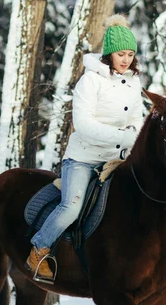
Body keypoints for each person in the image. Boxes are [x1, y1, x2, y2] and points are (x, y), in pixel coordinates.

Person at [26, 14, 144, 281]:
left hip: (116, 158)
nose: (125, 59)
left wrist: (133, 136)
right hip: (83, 159)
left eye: (129, 54)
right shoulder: (90, 81)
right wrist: (124, 138)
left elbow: (137, 118)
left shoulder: (134, 82)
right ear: (109, 55)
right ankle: (39, 249)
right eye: (120, 54)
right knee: (71, 207)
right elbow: (83, 125)